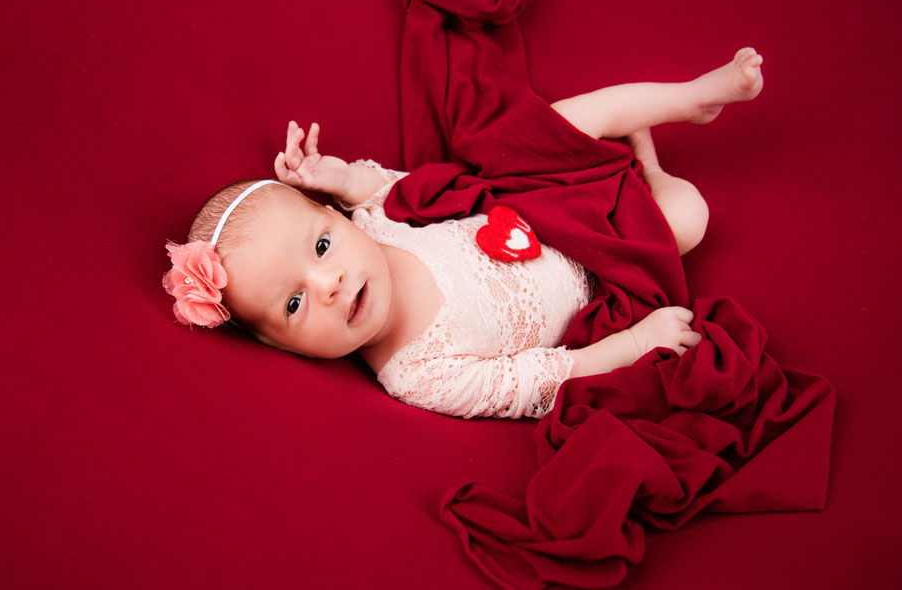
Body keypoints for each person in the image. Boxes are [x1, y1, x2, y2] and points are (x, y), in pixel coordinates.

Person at [163, 48, 764, 418]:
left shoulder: (377, 226)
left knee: (542, 129)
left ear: (337, 218)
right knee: (687, 218)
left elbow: (391, 189)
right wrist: (635, 345)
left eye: (321, 246)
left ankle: (691, 98)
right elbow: (542, 379)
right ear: (279, 346)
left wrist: (339, 176)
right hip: (598, 272)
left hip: (535, 201)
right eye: (293, 303)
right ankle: (652, 171)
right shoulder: (416, 374)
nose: (329, 283)